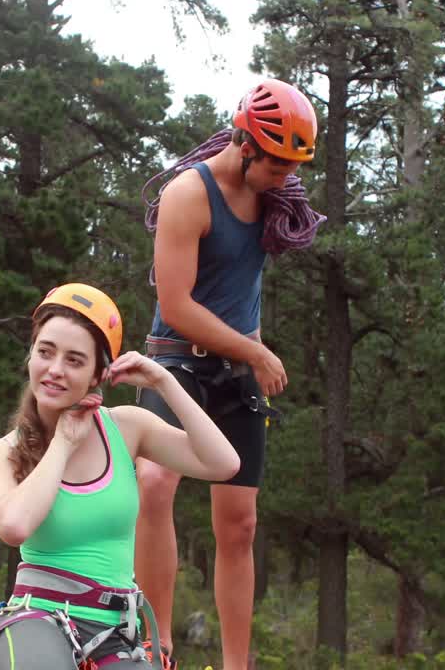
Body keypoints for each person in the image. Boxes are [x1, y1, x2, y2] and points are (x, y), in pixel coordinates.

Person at [135, 79, 324, 670]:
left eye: (294, 166)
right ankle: (156, 645)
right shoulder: (187, 195)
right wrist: (258, 354)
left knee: (239, 525)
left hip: (236, 365)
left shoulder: (271, 197)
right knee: (153, 484)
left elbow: (245, 284)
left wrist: (253, 346)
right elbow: (179, 302)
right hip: (174, 360)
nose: (286, 176)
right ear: (244, 143)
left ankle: (236, 664)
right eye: (277, 163)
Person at [0, 282, 240, 670]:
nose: (54, 370)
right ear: (30, 356)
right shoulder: (1, 453)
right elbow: (13, 527)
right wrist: (64, 441)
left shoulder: (127, 429)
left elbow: (223, 463)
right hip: (37, 621)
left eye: (75, 360)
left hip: (115, 635)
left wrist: (165, 382)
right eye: (45, 352)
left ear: (99, 373)